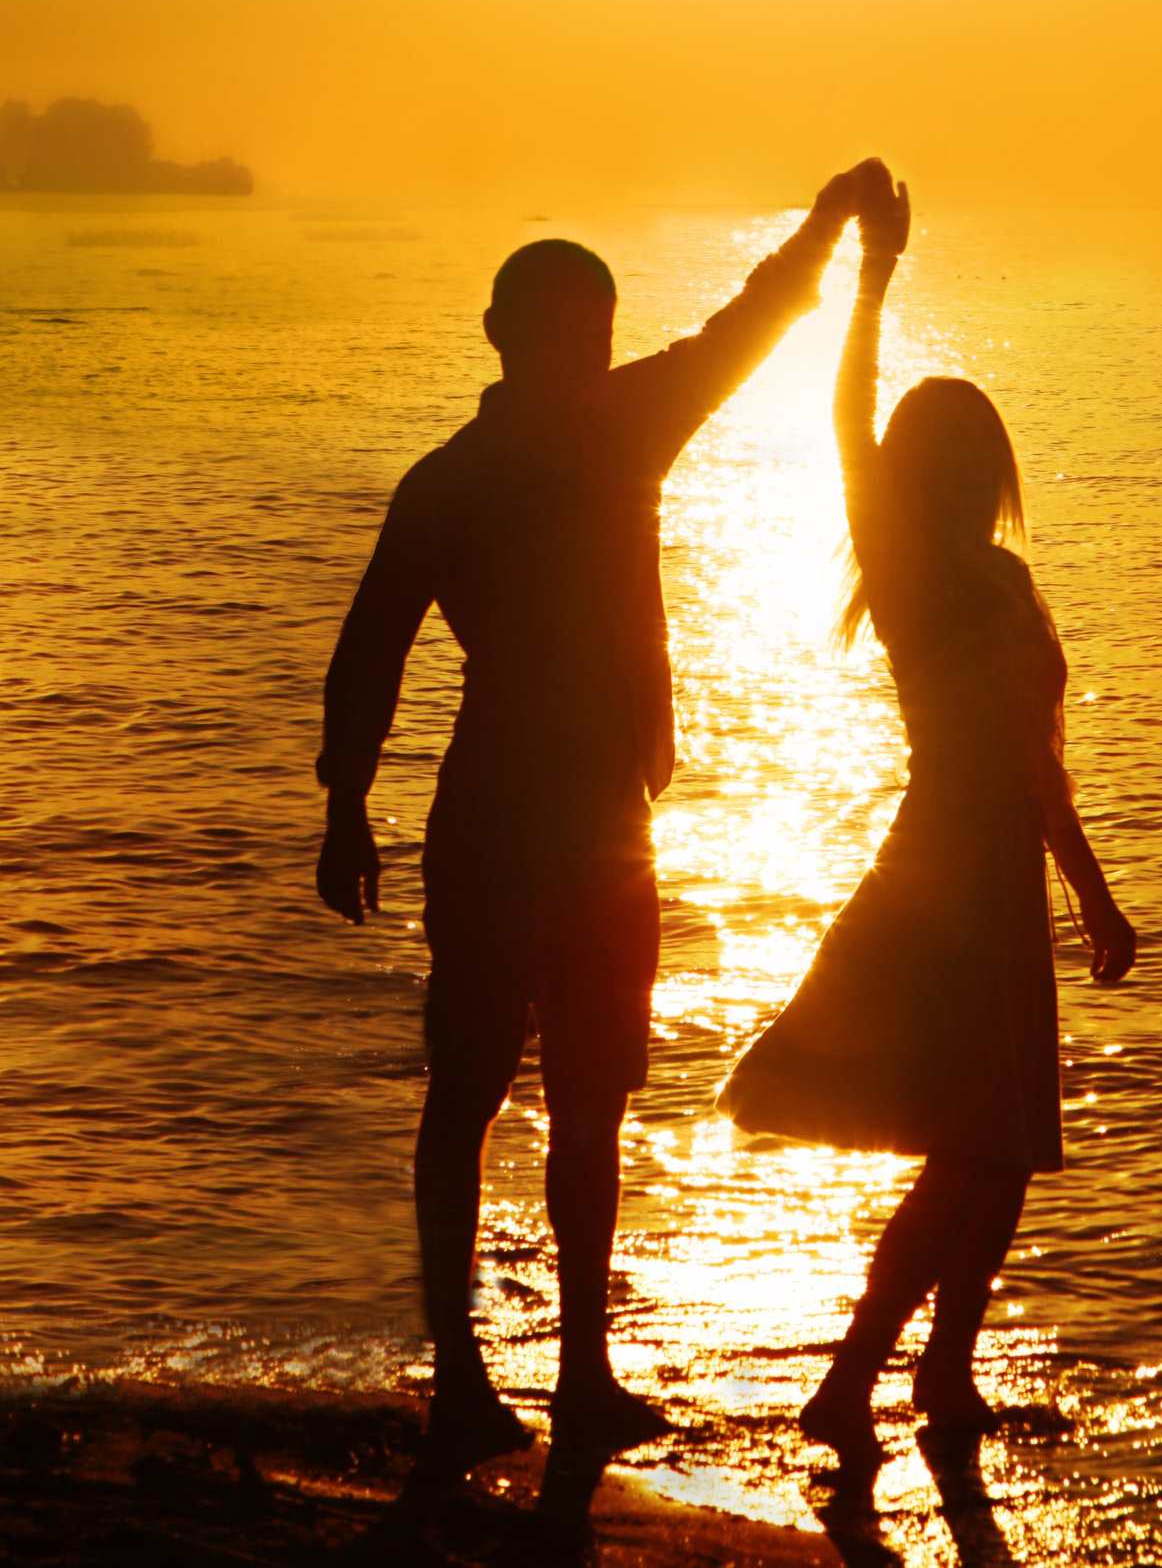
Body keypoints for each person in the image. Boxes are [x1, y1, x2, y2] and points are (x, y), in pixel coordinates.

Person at [313, 163, 881, 1468]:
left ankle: (580, 1377)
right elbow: (372, 647)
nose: (588, 352)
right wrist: (347, 802)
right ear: (504, 336)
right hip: (499, 816)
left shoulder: (631, 426)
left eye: (601, 332)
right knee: (466, 1093)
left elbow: (747, 324)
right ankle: (458, 1369)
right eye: (564, 331)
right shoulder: (451, 481)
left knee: (592, 1102)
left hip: (612, 829)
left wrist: (828, 225)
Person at [719, 166, 1139, 1479]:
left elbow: (1036, 760)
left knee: (1004, 1154)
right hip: (945, 877)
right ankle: (852, 1381)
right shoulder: (905, 570)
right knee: (971, 1152)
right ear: (912, 465)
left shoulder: (1012, 582)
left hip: (1005, 879)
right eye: (935, 439)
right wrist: (874, 274)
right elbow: (849, 422)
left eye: (976, 439)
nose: (958, 454)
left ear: (997, 463)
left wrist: (1089, 888)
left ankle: (943, 1372)